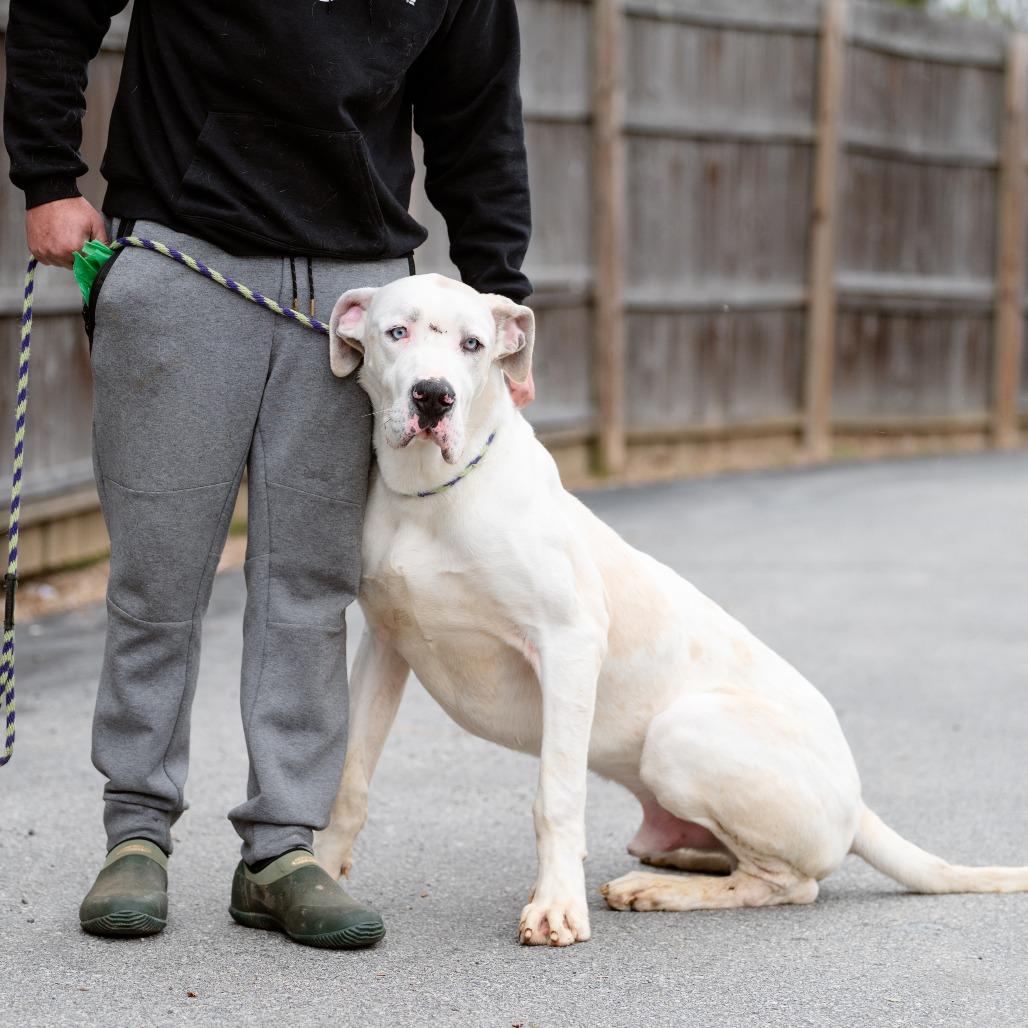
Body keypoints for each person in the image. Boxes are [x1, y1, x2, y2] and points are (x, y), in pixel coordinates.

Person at [4, 0, 532, 948]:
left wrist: (502, 292)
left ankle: (284, 848)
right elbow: (54, 11)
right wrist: (47, 176)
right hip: (182, 259)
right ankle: (136, 832)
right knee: (157, 573)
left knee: (311, 583)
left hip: (359, 293)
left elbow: (478, 116)